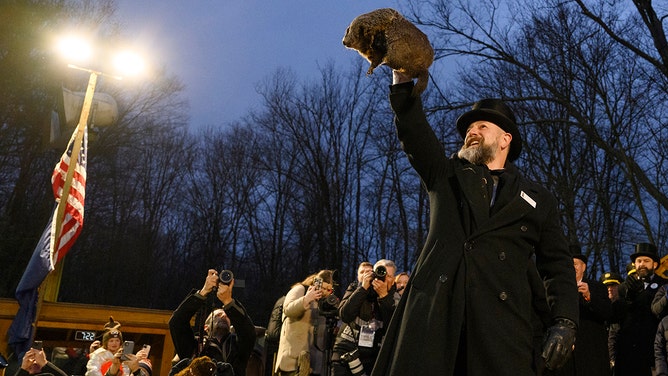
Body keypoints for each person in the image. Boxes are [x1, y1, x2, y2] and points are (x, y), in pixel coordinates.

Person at [370, 70, 579, 376]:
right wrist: (402, 82)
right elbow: (414, 134)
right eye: (469, 127)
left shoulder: (538, 198)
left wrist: (565, 321)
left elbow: (557, 266)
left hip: (502, 329)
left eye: (482, 125)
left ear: (506, 139)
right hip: (438, 318)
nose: (472, 130)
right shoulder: (446, 175)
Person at [169, 269, 256, 376]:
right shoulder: (195, 345)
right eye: (218, 315)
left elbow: (248, 333)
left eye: (227, 315)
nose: (224, 315)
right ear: (206, 327)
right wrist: (203, 292)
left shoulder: (237, 346)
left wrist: (228, 302)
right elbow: (177, 322)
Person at [330, 260, 396, 376]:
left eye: (389, 276)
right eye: (380, 273)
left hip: (371, 356)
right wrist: (363, 289)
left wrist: (384, 297)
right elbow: (345, 315)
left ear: (394, 279)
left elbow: (393, 326)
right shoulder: (356, 287)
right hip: (346, 350)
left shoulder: (395, 296)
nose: (384, 278)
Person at [552, 254, 612, 376]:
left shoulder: (597, 287)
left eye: (575, 264)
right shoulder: (556, 288)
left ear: (583, 267)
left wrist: (589, 296)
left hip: (591, 352)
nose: (572, 267)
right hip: (565, 354)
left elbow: (608, 313)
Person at [614, 242, 668, 376]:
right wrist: (628, 297)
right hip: (628, 353)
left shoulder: (664, 285)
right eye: (638, 261)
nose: (642, 264)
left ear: (655, 264)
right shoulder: (624, 287)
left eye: (646, 261)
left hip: (653, 352)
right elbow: (615, 317)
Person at [275, 270, 337, 376]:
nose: (325, 292)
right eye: (323, 288)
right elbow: (288, 310)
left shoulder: (323, 303)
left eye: (329, 290)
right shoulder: (301, 289)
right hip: (293, 362)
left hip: (315, 365)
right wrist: (306, 299)